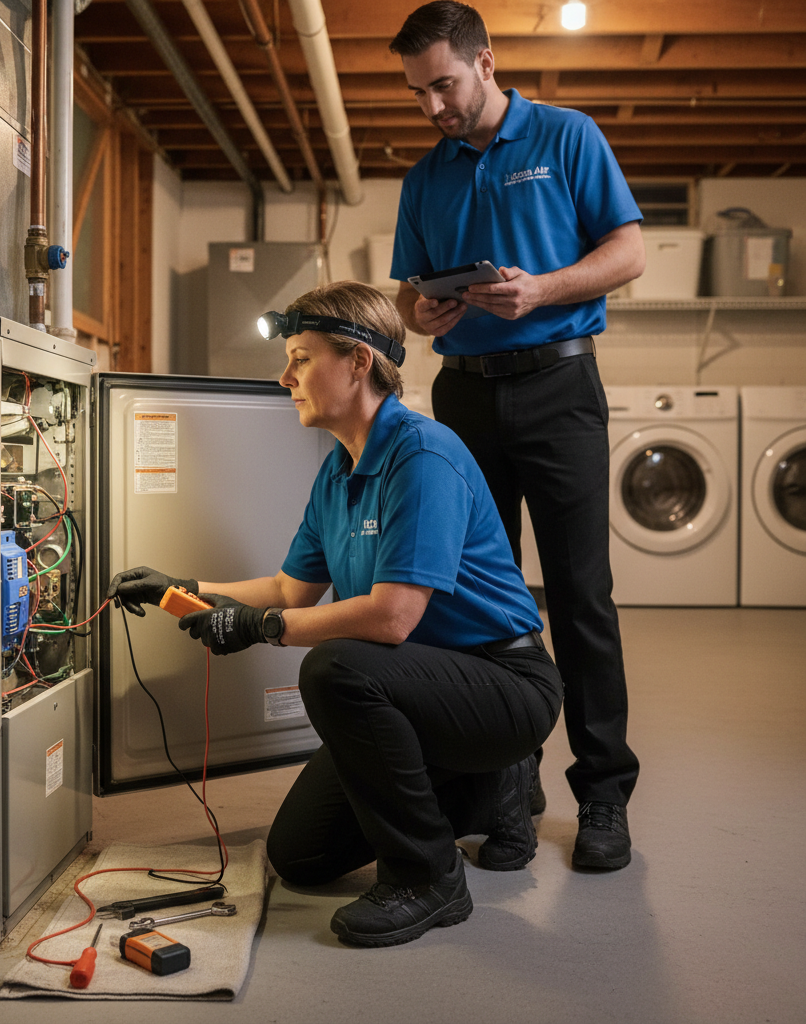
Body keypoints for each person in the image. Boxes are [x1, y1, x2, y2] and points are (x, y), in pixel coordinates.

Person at [105, 281, 563, 948]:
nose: (284, 375)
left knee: (338, 669)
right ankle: (489, 792)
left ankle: (430, 877)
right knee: (301, 858)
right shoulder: (339, 472)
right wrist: (186, 585)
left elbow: (392, 619)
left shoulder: (422, 456)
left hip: (504, 685)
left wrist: (259, 631)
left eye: (300, 357)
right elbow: (291, 593)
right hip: (428, 686)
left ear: (358, 362)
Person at [388, 1, 642, 870]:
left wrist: (545, 290)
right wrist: (420, 311)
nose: (434, 107)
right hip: (463, 399)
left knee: (580, 596)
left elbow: (629, 252)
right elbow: (404, 301)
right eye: (419, 92)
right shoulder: (425, 177)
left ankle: (603, 794)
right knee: (479, 602)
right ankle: (509, 785)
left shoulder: (567, 137)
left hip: (561, 385)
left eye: (444, 86)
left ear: (486, 62)